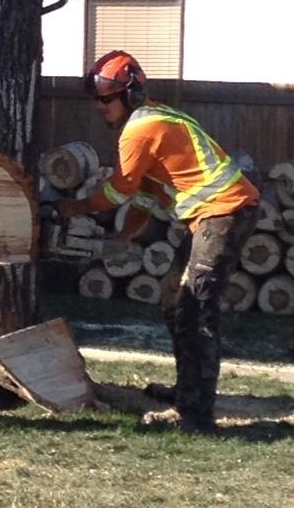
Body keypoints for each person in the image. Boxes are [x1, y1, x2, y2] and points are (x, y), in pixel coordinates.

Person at [55, 50, 260, 434]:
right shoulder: (157, 119)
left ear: (129, 95)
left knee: (195, 310)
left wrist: (74, 208)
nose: (99, 106)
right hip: (215, 216)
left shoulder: (140, 130)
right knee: (173, 297)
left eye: (105, 98)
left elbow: (118, 192)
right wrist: (123, 237)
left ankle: (197, 415)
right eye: (97, 98)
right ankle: (188, 391)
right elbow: (146, 197)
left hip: (224, 214)